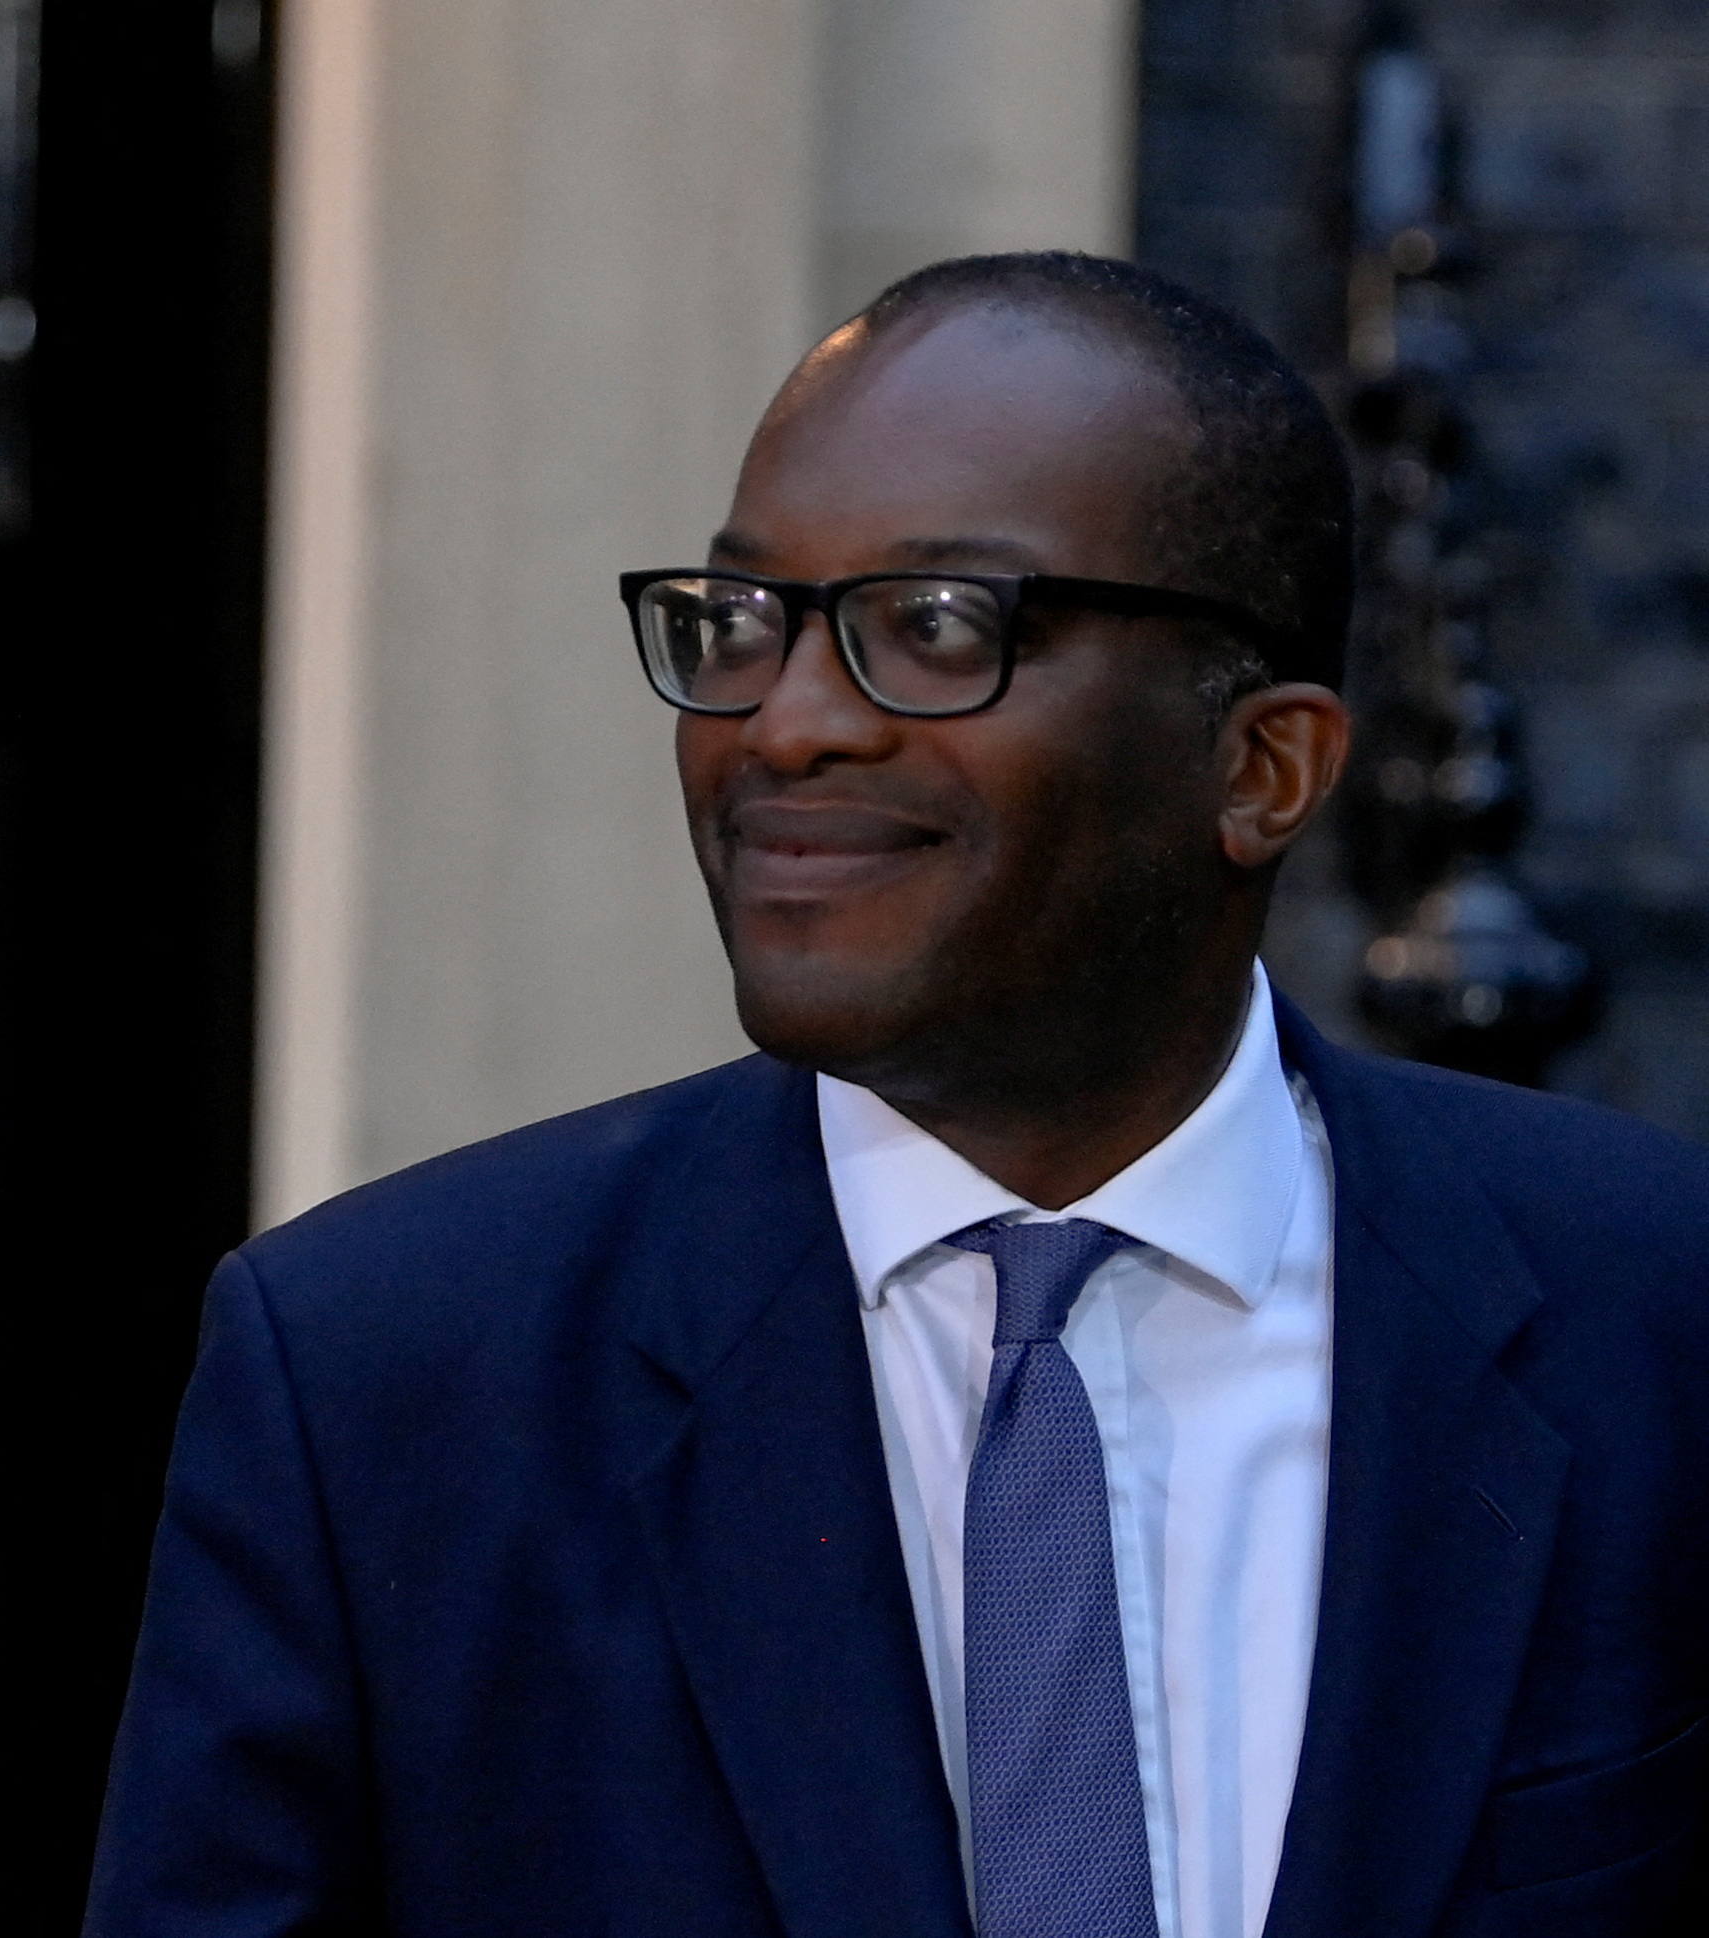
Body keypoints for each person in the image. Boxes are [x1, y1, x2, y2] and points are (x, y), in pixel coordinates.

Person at [84, 254, 1706, 1938]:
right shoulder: (386, 1381)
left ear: (1262, 766)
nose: (783, 725)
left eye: (933, 628)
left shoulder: (1653, 1314)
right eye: (740, 622)